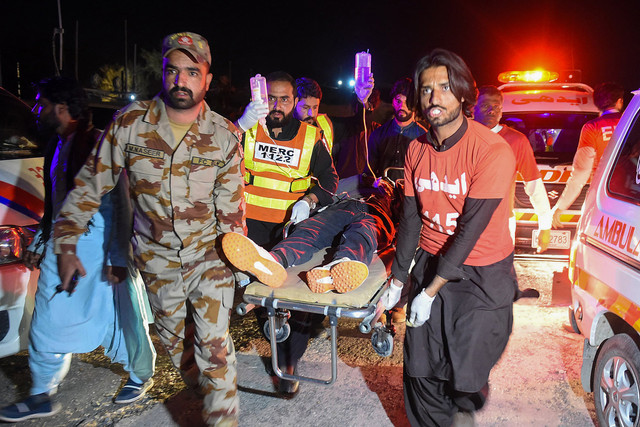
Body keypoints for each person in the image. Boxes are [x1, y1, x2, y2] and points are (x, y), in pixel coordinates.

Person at [52, 32, 244, 426]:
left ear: (206, 80)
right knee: (181, 352)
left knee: (213, 350)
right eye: (173, 70)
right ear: (162, 73)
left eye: (192, 72)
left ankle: (222, 411)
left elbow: (231, 215)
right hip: (156, 262)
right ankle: (216, 398)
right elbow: (91, 183)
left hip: (209, 257)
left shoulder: (226, 135)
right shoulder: (130, 124)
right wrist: (66, 242)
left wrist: (244, 272)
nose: (181, 80)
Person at [0, 77, 155, 422]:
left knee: (121, 315)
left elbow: (120, 204)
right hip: (64, 246)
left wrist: (117, 257)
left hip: (98, 248)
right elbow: (56, 203)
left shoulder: (98, 144)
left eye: (41, 104)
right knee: (48, 317)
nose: (36, 111)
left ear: (61, 107)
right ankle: (41, 393)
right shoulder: (59, 144)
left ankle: (140, 374)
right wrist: (42, 241)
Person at [380, 49, 518, 426]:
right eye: (426, 89)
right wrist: (398, 281)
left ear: (462, 93)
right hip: (430, 258)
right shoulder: (416, 149)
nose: (433, 97)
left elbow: (469, 232)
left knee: (467, 366)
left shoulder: (491, 151)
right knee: (420, 365)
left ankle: (463, 406)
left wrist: (428, 293)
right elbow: (409, 221)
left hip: (481, 272)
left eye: (444, 87)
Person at [240, 71, 339, 397]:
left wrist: (310, 200)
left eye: (284, 99)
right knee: (264, 294)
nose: (276, 105)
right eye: (271, 98)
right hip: (251, 227)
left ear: (295, 102)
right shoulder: (249, 130)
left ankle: (289, 360)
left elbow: (330, 180)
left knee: (297, 298)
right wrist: (238, 124)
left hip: (292, 228)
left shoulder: (311, 137)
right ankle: (278, 346)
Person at [222, 177, 396, 293]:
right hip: (343, 207)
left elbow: (410, 217)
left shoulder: (396, 196)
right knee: (310, 228)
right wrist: (310, 202)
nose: (382, 183)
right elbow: (332, 189)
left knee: (363, 233)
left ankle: (341, 266)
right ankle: (274, 259)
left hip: (376, 215)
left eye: (386, 183)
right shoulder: (359, 182)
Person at [473, 85, 551, 253]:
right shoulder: (462, 136)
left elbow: (534, 184)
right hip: (466, 222)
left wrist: (545, 225)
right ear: (474, 107)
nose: (492, 110)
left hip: (502, 226)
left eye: (497, 106)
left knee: (498, 276)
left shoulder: (516, 141)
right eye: (486, 105)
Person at [551, 82, 625, 228]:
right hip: (631, 195)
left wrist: (561, 206)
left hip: (603, 196)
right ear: (620, 101)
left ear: (597, 104)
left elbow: (582, 171)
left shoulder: (592, 127)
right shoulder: (631, 123)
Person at [367, 77, 427, 182]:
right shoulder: (379, 134)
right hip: (383, 194)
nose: (401, 106)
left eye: (407, 101)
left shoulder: (424, 137)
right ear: (393, 101)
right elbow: (369, 173)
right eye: (398, 100)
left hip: (411, 196)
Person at [294, 77, 334, 153]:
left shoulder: (325, 124)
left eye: (315, 107)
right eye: (305, 107)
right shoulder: (280, 127)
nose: (311, 114)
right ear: (294, 104)